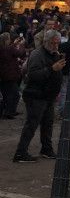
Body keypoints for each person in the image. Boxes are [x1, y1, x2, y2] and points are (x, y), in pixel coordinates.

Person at [13, 30, 65, 163]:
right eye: (53, 43)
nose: (55, 46)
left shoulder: (54, 54)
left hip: (48, 96)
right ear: (46, 42)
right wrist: (52, 69)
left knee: (48, 124)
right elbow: (33, 75)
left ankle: (46, 149)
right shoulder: (37, 54)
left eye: (57, 43)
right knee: (32, 124)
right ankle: (20, 153)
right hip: (36, 95)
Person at [0, 32, 25, 119]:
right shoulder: (9, 49)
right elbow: (20, 53)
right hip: (10, 74)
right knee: (14, 94)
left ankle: (8, 111)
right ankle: (9, 112)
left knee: (6, 94)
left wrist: (14, 44)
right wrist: (21, 45)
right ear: (7, 40)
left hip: (3, 74)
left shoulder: (3, 48)